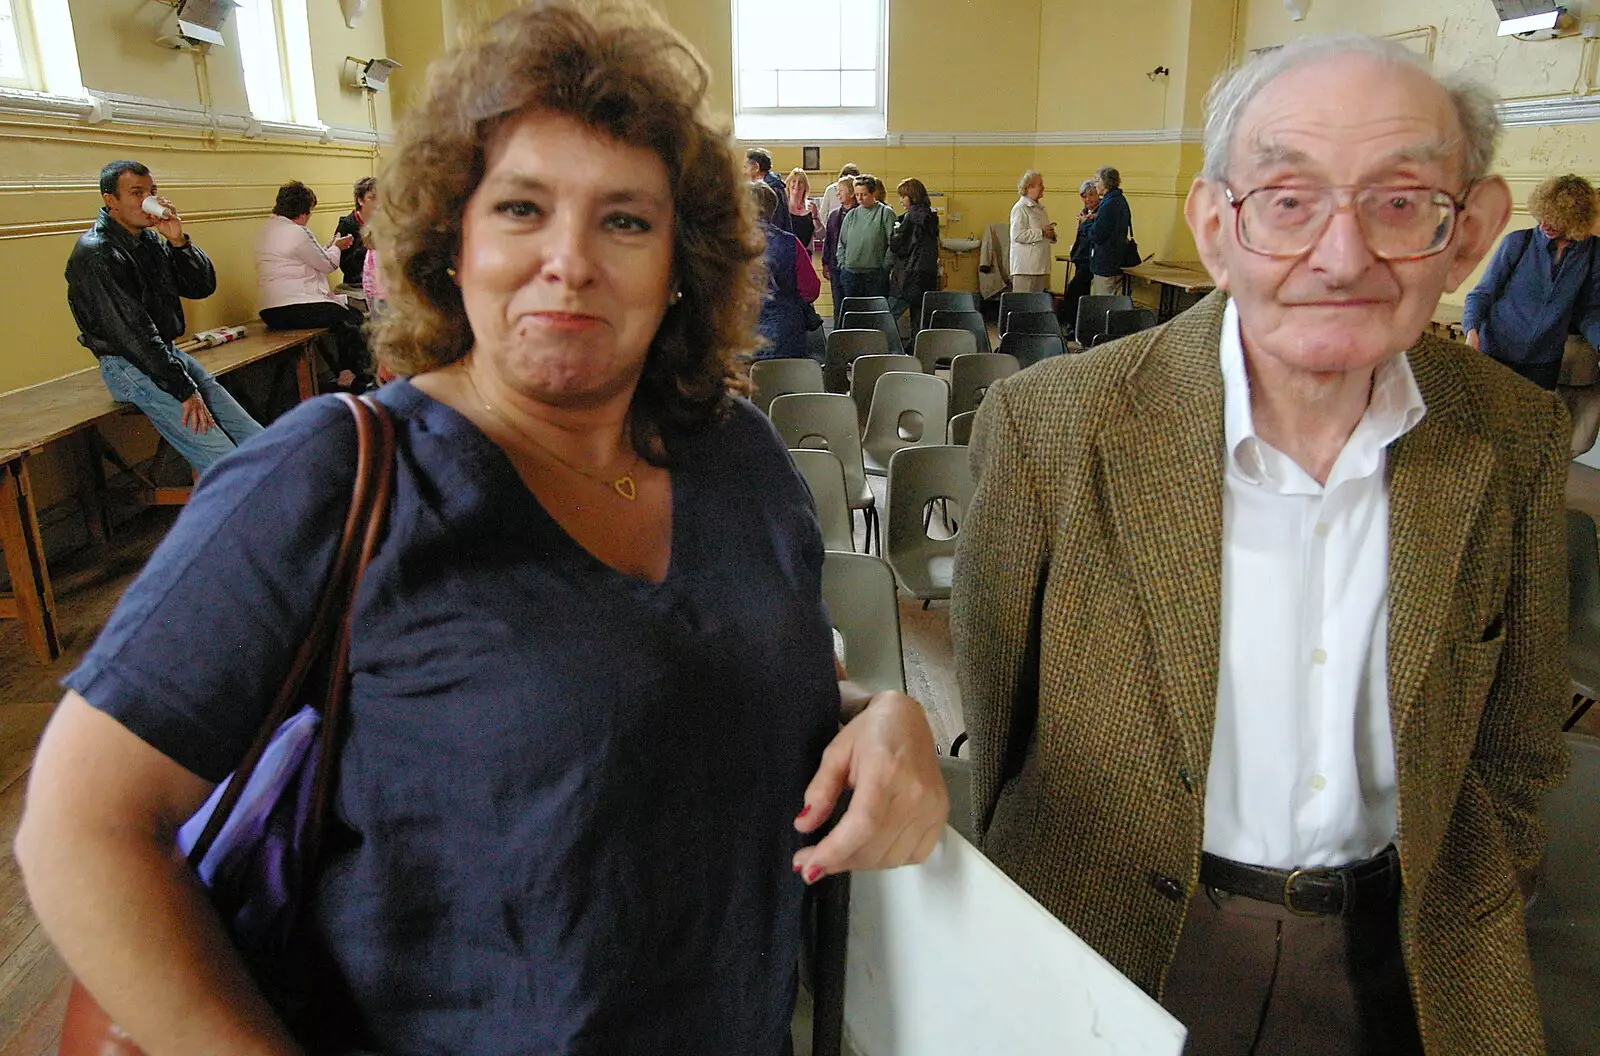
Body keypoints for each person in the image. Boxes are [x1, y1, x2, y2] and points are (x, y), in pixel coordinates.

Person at [17, 5, 947, 1055]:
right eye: (519, 208)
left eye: (625, 220)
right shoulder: (333, 476)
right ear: (450, 243)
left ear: (682, 262)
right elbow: (80, 824)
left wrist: (874, 716)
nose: (570, 260)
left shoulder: (740, 462)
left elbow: (716, 685)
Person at [952, 35, 1564, 1056]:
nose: (1342, 255)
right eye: (1288, 200)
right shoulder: (1049, 426)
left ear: (1472, 233)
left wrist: (1478, 878)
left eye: (1400, 201)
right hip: (1104, 944)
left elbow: (1516, 740)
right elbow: (995, 711)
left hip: (1405, 962)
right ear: (1214, 225)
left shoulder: (1515, 435)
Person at [64, 160, 264, 474]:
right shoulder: (98, 254)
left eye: (152, 192)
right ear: (110, 200)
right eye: (136, 193)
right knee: (224, 459)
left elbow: (200, 286)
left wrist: (178, 241)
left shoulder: (149, 241)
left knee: (255, 437)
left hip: (165, 355)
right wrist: (183, 389)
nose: (148, 200)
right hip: (130, 364)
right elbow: (132, 333)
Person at [1462, 173, 1600, 389]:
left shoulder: (1592, 253)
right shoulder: (1518, 242)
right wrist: (1472, 331)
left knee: (1533, 422)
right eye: (1541, 215)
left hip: (1543, 364)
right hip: (1496, 352)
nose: (1544, 224)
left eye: (1555, 219)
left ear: (1576, 220)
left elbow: (1587, 310)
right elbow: (1481, 293)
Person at [256, 180, 374, 392]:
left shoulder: (267, 229)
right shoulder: (297, 232)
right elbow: (328, 265)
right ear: (303, 211)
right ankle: (354, 377)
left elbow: (307, 259)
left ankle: (343, 372)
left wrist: (329, 248)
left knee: (342, 317)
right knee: (351, 319)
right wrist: (336, 247)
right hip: (296, 306)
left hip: (270, 310)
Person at [751, 181, 822, 362]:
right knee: (786, 385)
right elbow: (811, 289)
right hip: (785, 332)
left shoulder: (730, 246)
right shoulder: (791, 242)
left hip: (743, 335)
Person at [835, 173, 896, 305]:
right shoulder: (851, 215)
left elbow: (893, 244)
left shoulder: (885, 213)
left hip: (875, 274)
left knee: (875, 316)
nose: (860, 198)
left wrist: (885, 266)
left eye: (864, 194)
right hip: (851, 273)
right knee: (854, 314)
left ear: (873, 193)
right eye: (857, 195)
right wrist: (843, 264)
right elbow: (842, 243)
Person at [890, 177, 940, 337]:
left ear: (912, 196)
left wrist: (895, 233)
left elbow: (899, 246)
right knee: (919, 319)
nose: (901, 201)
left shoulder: (910, 218)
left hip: (910, 274)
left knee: (889, 315)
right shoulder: (931, 217)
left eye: (904, 196)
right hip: (928, 273)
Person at [1061, 177, 1101, 336]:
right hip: (1080, 257)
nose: (1088, 199)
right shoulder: (1084, 212)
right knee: (1078, 293)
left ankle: (1075, 326)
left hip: (1092, 259)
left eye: (1091, 195)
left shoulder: (1100, 212)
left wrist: (1086, 223)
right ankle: (1075, 326)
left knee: (1073, 291)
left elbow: (1094, 235)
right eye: (1085, 196)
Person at [1009, 169, 1055, 294]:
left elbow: (1043, 230)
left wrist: (1051, 234)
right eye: (1040, 184)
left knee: (1039, 304)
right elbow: (1017, 235)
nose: (1043, 187)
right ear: (1029, 187)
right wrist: (1041, 232)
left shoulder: (1040, 209)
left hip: (1041, 266)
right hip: (1026, 268)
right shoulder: (1020, 209)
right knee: (1023, 304)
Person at [1088, 164, 1131, 295]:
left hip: (1106, 262)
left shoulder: (1109, 204)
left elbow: (1098, 234)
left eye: (1097, 180)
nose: (1095, 184)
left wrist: (1086, 224)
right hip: (1116, 259)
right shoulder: (1119, 199)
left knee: (1103, 302)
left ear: (1106, 183)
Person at [821, 174, 856, 326]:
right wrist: (825, 263)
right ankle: (837, 333)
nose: (837, 194)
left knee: (852, 305)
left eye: (841, 190)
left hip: (853, 267)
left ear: (851, 192)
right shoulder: (834, 216)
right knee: (838, 304)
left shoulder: (859, 214)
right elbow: (828, 241)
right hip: (835, 267)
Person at [335, 176, 377, 288]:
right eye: (372, 198)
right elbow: (345, 266)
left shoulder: (382, 222)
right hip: (356, 284)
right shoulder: (347, 225)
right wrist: (370, 245)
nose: (378, 203)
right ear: (360, 200)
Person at [744, 147, 791, 232]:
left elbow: (774, 223)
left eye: (746, 167)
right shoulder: (776, 184)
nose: (744, 171)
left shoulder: (768, 190)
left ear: (756, 167)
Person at [784, 167, 822, 249]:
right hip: (786, 254)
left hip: (806, 255)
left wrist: (815, 217)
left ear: (805, 186)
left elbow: (821, 235)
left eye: (800, 182)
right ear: (788, 184)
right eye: (794, 181)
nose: (797, 185)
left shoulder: (811, 206)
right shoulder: (783, 207)